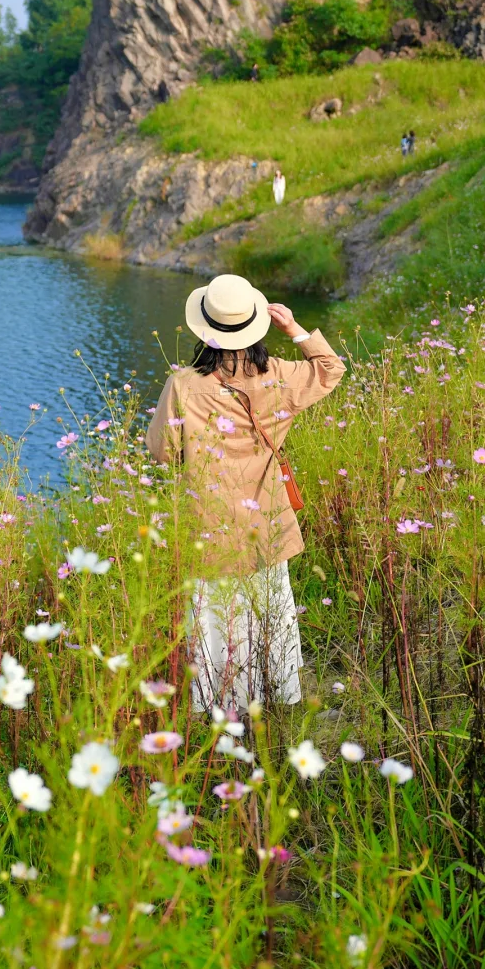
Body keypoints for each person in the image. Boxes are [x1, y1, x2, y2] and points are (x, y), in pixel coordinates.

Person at [146, 274, 345, 709]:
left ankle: (219, 701)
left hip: (209, 522)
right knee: (269, 607)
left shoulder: (184, 385)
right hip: (266, 523)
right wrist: (293, 329)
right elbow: (332, 369)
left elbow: (161, 452)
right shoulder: (280, 377)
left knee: (216, 618)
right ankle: (278, 695)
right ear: (255, 322)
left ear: (205, 329)